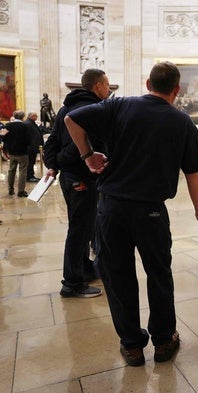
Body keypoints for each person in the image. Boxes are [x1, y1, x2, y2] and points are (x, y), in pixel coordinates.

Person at [64, 61, 198, 367]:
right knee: (159, 274)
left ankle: (132, 345)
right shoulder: (183, 121)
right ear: (177, 90)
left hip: (112, 208)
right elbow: (194, 173)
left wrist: (88, 156)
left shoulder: (119, 106)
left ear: (147, 83)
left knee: (117, 276)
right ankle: (162, 341)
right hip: (151, 212)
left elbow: (71, 119)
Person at [44, 69, 111, 299]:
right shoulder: (93, 110)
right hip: (81, 177)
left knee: (82, 226)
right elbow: (80, 145)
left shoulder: (65, 107)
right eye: (107, 84)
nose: (109, 89)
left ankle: (83, 268)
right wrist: (61, 161)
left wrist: (52, 164)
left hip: (69, 177)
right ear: (98, 85)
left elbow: (52, 140)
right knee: (79, 229)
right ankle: (72, 283)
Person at [3, 110, 31, 197]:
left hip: (12, 152)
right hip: (23, 152)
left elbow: (4, 138)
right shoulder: (25, 126)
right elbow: (28, 139)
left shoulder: (8, 125)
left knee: (11, 170)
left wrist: (9, 147)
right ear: (23, 117)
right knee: (22, 171)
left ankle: (10, 189)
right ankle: (21, 191)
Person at [24, 112, 43, 182]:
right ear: (31, 116)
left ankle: (31, 175)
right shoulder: (28, 123)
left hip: (33, 147)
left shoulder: (31, 122)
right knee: (30, 162)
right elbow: (30, 137)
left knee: (31, 162)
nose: (37, 117)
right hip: (30, 147)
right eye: (35, 116)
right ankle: (29, 177)